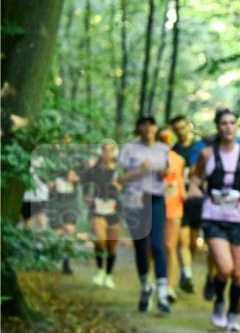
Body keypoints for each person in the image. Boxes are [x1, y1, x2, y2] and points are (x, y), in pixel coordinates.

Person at [188, 108, 240, 332]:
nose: (228, 127)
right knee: (224, 269)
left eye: (232, 123)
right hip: (214, 216)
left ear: (237, 126)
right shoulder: (207, 154)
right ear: (218, 127)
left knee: (238, 271)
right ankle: (219, 302)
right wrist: (194, 189)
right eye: (224, 123)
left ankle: (233, 313)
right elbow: (195, 178)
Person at [119, 116, 171, 314]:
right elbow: (120, 178)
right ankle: (145, 287)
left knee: (158, 244)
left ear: (156, 128)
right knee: (141, 246)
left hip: (156, 198)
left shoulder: (163, 149)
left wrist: (163, 173)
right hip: (135, 200)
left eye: (152, 124)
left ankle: (163, 295)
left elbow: (168, 171)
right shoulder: (129, 149)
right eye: (144, 124)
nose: (148, 128)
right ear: (139, 127)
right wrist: (140, 170)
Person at [169, 115, 206, 295]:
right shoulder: (174, 150)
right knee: (182, 241)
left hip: (197, 199)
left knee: (193, 241)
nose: (181, 131)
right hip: (179, 200)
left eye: (183, 127)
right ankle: (187, 274)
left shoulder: (200, 147)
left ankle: (187, 268)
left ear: (189, 126)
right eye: (177, 129)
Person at [82, 141, 122, 288]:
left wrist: (120, 187)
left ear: (114, 153)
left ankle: (109, 275)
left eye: (110, 151)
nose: (108, 154)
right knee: (100, 241)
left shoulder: (119, 170)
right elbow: (84, 183)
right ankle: (99, 271)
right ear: (101, 152)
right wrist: (87, 196)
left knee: (112, 246)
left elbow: (127, 186)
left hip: (114, 209)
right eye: (105, 151)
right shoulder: (93, 170)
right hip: (98, 208)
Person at [159, 130, 187, 303]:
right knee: (155, 248)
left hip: (175, 208)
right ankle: (154, 284)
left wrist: (184, 192)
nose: (166, 141)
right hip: (155, 207)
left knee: (170, 246)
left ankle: (170, 288)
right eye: (162, 138)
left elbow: (180, 179)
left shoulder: (179, 159)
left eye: (169, 139)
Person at [48, 164, 81, 274]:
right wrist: (51, 186)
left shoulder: (76, 181)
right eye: (70, 173)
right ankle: (51, 259)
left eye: (74, 174)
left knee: (70, 232)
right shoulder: (57, 179)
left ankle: (66, 263)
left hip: (70, 208)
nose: (72, 175)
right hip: (56, 208)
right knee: (58, 235)